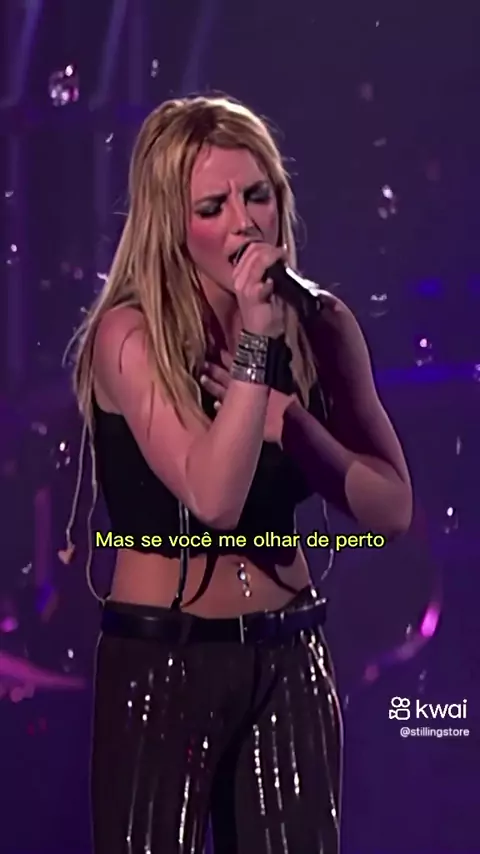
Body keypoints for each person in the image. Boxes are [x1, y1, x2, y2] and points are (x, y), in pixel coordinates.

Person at [67, 94, 412, 854]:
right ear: (171, 223)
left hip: (291, 651)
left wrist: (294, 425)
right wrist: (256, 347)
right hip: (165, 659)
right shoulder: (131, 335)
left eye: (256, 195)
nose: (243, 223)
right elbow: (214, 496)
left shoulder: (323, 325)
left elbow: (391, 507)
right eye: (212, 206)